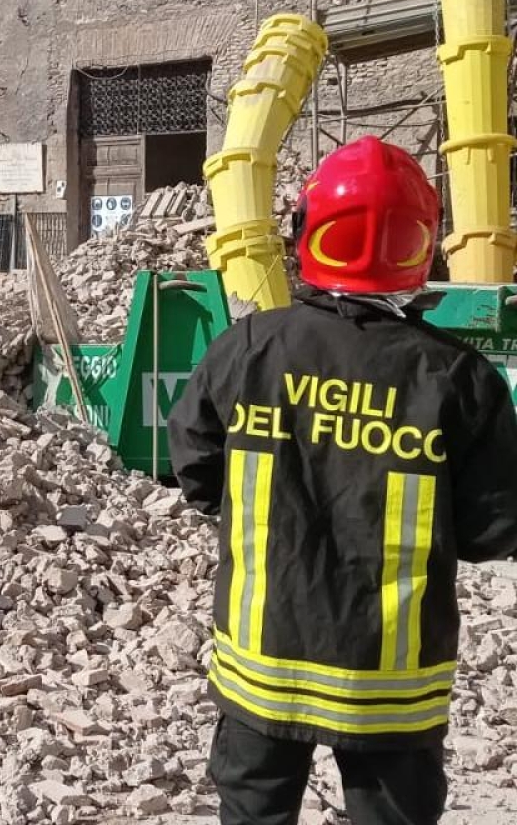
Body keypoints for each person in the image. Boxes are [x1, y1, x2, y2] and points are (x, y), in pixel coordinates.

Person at [167, 135, 517, 825]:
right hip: (391, 684)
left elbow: (196, 468)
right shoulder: (458, 376)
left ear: (309, 232)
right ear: (422, 244)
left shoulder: (251, 347)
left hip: (262, 664)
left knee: (252, 812)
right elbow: (492, 529)